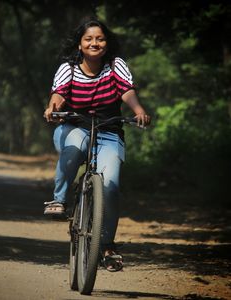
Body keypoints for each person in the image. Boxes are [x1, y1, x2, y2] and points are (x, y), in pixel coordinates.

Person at [43, 19, 151, 271]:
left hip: (109, 131)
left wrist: (139, 110)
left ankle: (107, 246)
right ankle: (58, 200)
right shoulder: (68, 68)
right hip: (73, 126)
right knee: (74, 150)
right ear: (80, 44)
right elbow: (58, 93)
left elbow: (127, 90)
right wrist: (53, 108)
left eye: (100, 39)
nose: (95, 43)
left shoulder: (116, 65)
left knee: (111, 185)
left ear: (107, 42)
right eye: (88, 39)